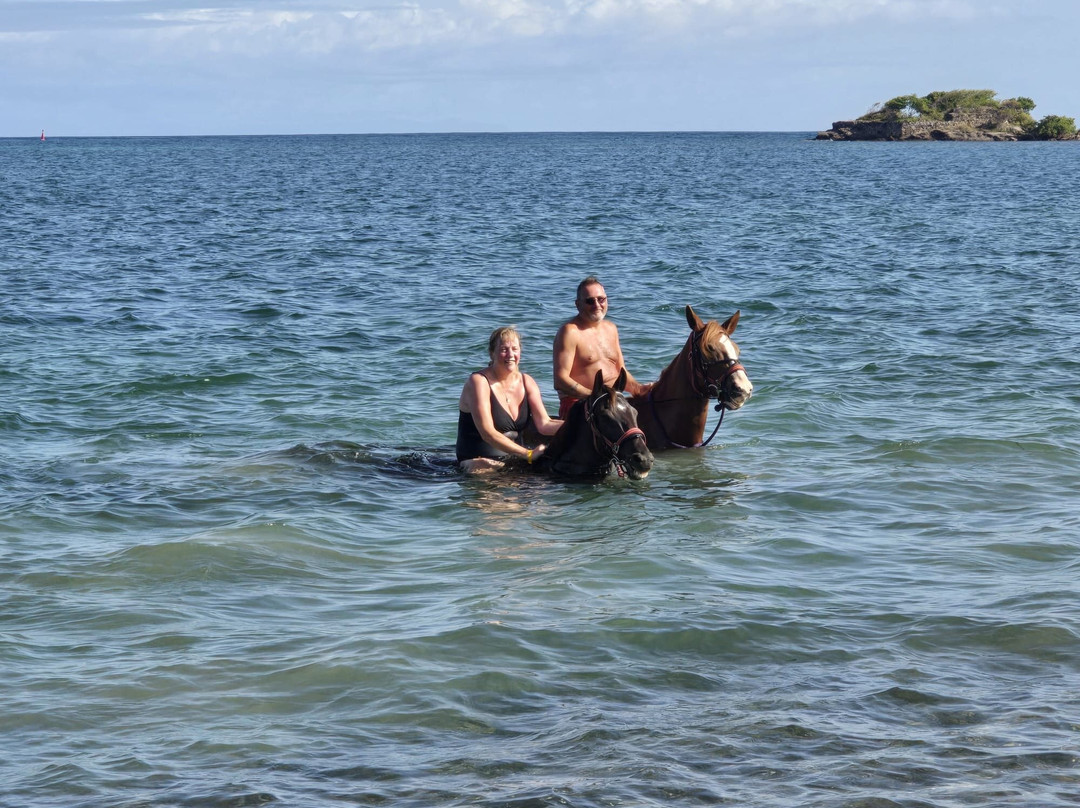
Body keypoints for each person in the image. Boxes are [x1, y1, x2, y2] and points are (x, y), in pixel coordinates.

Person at [457, 326, 563, 474]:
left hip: (512, 459)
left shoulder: (527, 381)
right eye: (504, 349)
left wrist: (580, 424)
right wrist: (528, 454)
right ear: (492, 353)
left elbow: (545, 424)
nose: (510, 355)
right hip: (477, 461)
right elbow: (487, 433)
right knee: (485, 470)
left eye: (515, 349)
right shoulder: (479, 382)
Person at [552, 276, 653, 419]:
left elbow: (620, 371)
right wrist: (594, 397)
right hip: (580, 404)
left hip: (612, 402)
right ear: (578, 304)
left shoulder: (611, 329)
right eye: (590, 301)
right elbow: (560, 380)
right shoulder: (570, 332)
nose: (597, 305)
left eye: (601, 299)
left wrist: (639, 389)